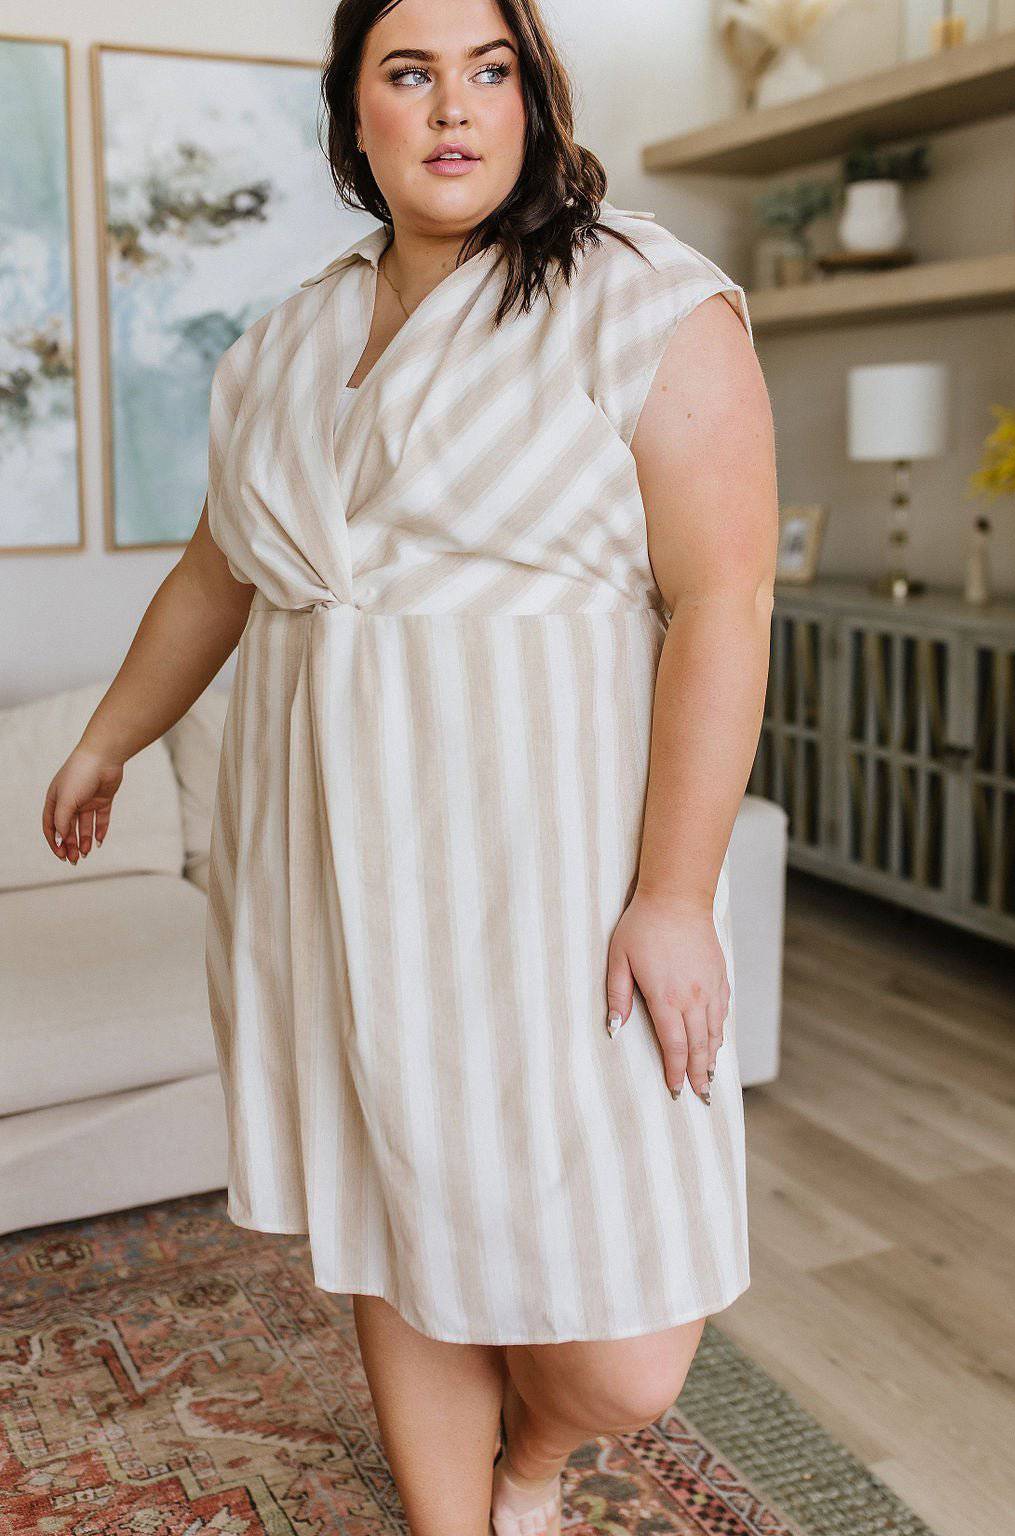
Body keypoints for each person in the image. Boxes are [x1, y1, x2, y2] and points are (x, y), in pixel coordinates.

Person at [41, 0, 778, 1532]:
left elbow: (725, 598)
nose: (455, 105)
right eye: (411, 72)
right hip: (330, 860)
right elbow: (218, 571)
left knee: (631, 1356)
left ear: (533, 100)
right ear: (355, 113)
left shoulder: (641, 297)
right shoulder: (286, 341)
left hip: (561, 874)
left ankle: (533, 1458)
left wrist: (675, 892)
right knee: (397, 1217)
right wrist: (107, 736)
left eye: (490, 70)